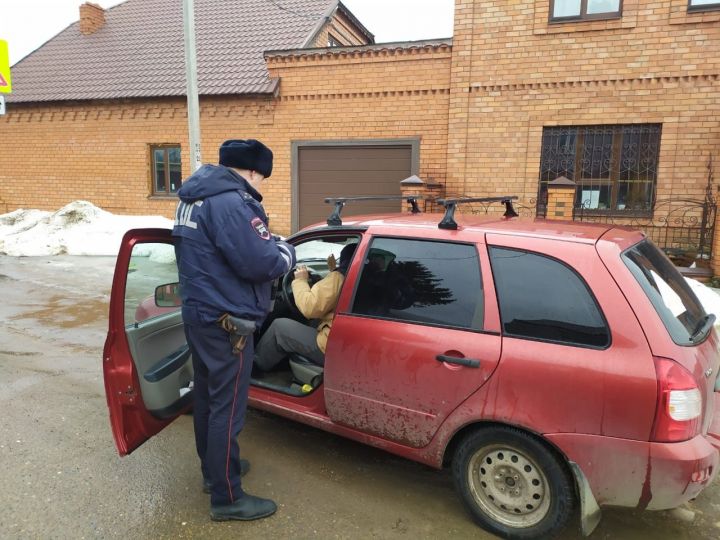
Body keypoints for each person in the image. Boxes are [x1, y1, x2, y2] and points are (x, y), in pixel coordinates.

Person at [172, 139, 296, 522]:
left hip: (200, 313)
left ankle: (216, 473)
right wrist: (287, 253)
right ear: (254, 170)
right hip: (228, 324)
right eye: (262, 175)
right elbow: (261, 263)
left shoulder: (193, 197)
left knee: (208, 399)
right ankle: (227, 498)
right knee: (228, 409)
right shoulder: (231, 203)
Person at [254, 243, 357, 371]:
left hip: (329, 345)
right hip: (348, 341)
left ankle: (254, 367)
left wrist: (300, 281)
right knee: (311, 322)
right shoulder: (363, 277)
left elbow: (310, 307)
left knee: (279, 327)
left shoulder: (339, 278)